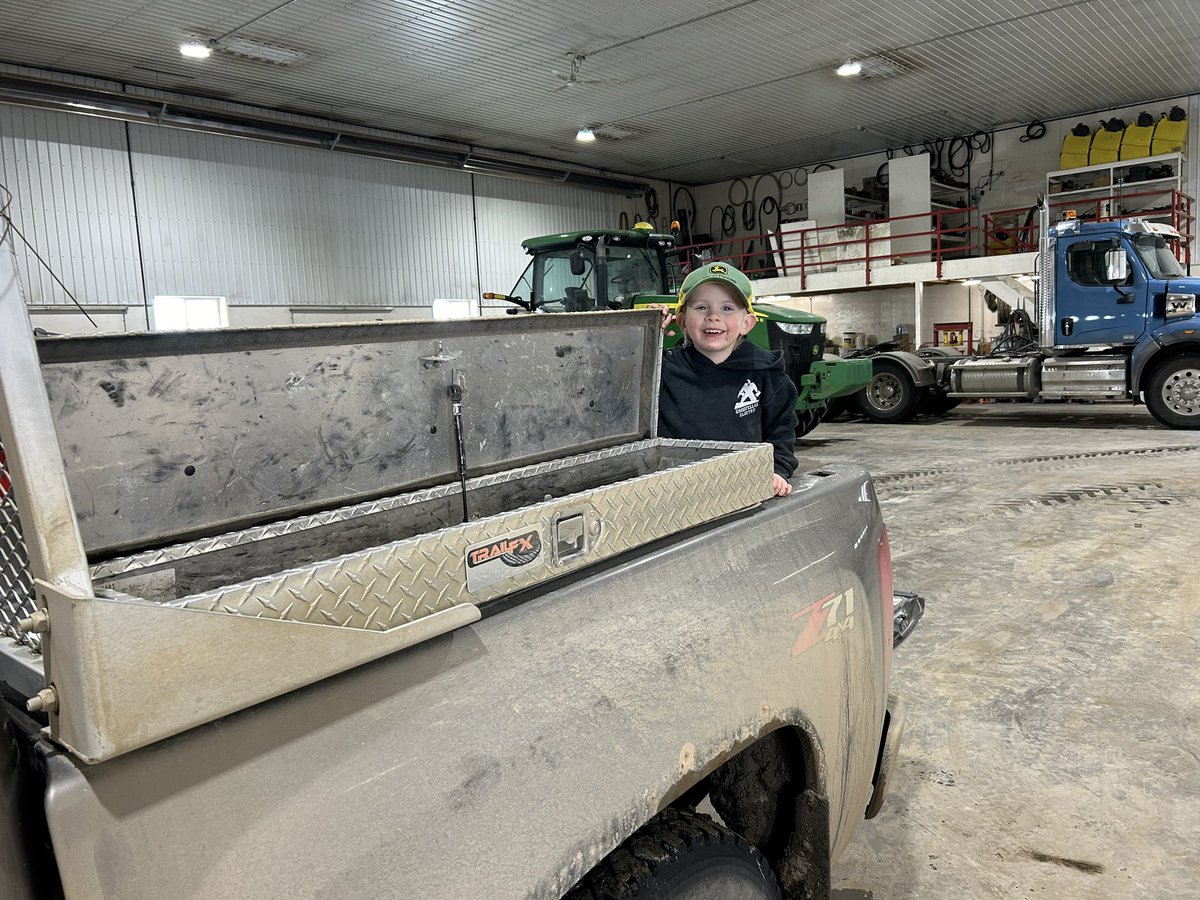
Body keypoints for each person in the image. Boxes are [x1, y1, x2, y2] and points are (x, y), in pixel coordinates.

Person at [657, 262, 798, 497]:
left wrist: (776, 470)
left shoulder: (766, 373)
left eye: (727, 308)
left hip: (743, 488)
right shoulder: (662, 370)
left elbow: (781, 430)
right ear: (681, 321)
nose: (713, 316)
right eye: (702, 307)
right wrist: (646, 331)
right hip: (676, 489)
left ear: (747, 323)